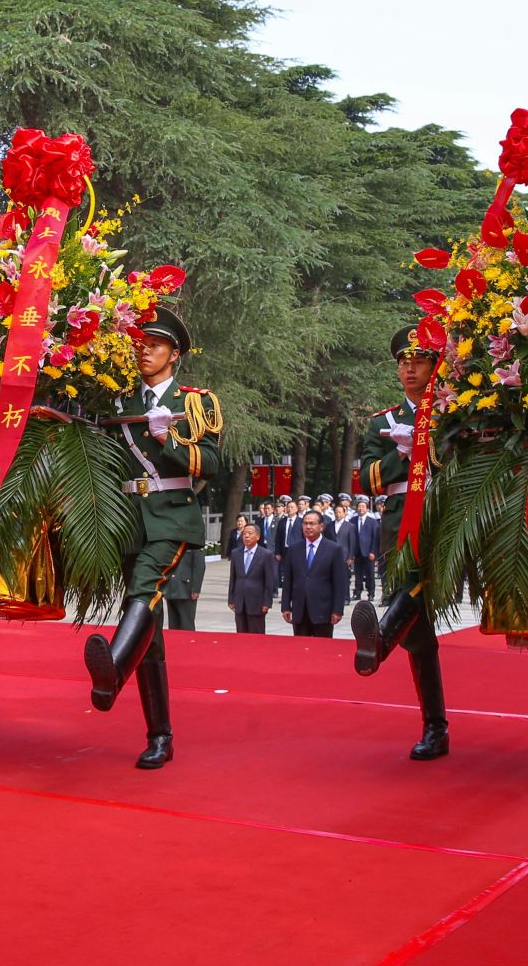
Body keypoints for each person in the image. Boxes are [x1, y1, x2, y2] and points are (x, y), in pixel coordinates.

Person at [80, 306, 222, 769]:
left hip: (171, 516)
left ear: (174, 354)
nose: (145, 352)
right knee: (149, 631)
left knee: (143, 590)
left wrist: (169, 440)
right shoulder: (118, 402)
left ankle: (113, 670)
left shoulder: (195, 402)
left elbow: (212, 464)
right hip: (129, 519)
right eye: (140, 345)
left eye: (155, 345)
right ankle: (160, 736)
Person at [349, 325, 449, 761]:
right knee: (419, 630)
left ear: (434, 367)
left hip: (441, 516)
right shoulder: (383, 422)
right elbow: (369, 480)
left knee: (412, 588)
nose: (410, 369)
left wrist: (428, 444)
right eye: (404, 363)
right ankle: (435, 727)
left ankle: (380, 640)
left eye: (419, 361)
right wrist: (402, 452)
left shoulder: (453, 414)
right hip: (397, 522)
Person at [280, 509, 346, 637]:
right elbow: (288, 580)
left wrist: (337, 610)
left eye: (312, 523)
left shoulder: (334, 549)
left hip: (323, 610)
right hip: (300, 610)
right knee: (300, 646)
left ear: (321, 526)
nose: (308, 527)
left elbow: (339, 583)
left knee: (322, 647)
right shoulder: (293, 549)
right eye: (305, 523)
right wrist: (286, 606)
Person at [227, 519, 278, 633]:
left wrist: (267, 602)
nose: (246, 536)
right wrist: (231, 598)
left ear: (258, 537)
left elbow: (269, 581)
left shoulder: (266, 555)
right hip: (240, 601)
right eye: (244, 533)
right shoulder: (236, 553)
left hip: (257, 602)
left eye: (250, 533)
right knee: (241, 634)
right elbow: (233, 578)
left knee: (256, 635)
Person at [161, 541, 206, 631]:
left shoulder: (193, 544)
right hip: (171, 588)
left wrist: (196, 589)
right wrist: (165, 587)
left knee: (186, 624)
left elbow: (199, 567)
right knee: (173, 625)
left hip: (186, 589)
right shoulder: (170, 543)